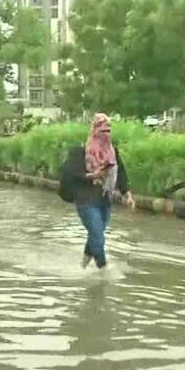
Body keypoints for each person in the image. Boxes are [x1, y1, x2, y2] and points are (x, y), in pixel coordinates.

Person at [60, 113, 135, 269]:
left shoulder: (113, 152)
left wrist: (126, 193)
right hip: (85, 199)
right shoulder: (80, 152)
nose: (106, 134)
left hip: (104, 199)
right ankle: (103, 270)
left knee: (95, 234)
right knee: (98, 237)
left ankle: (83, 266)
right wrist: (91, 175)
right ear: (94, 131)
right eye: (103, 130)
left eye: (109, 130)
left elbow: (120, 172)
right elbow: (69, 173)